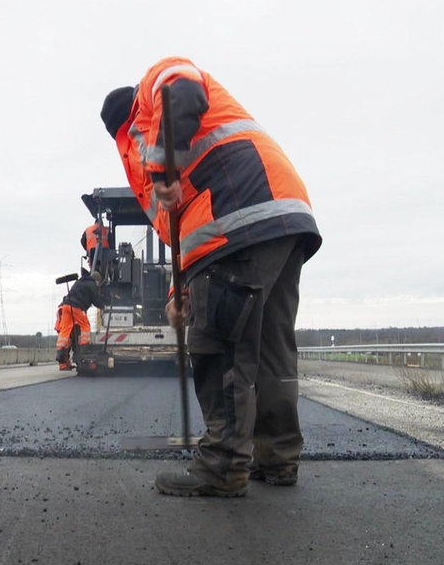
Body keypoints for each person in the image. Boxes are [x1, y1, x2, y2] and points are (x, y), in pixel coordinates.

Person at [100, 56, 322, 497]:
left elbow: (181, 90)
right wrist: (179, 292)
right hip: (284, 217)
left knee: (218, 346)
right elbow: (179, 227)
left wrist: (162, 169)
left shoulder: (155, 88)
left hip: (238, 219)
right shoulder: (151, 158)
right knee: (271, 349)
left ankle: (223, 465)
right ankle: (277, 459)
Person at [53, 271, 105, 371]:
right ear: (97, 281)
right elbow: (96, 301)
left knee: (65, 333)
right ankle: (84, 348)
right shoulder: (92, 284)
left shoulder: (79, 282)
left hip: (66, 306)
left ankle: (61, 359)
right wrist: (104, 305)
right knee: (85, 326)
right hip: (77, 308)